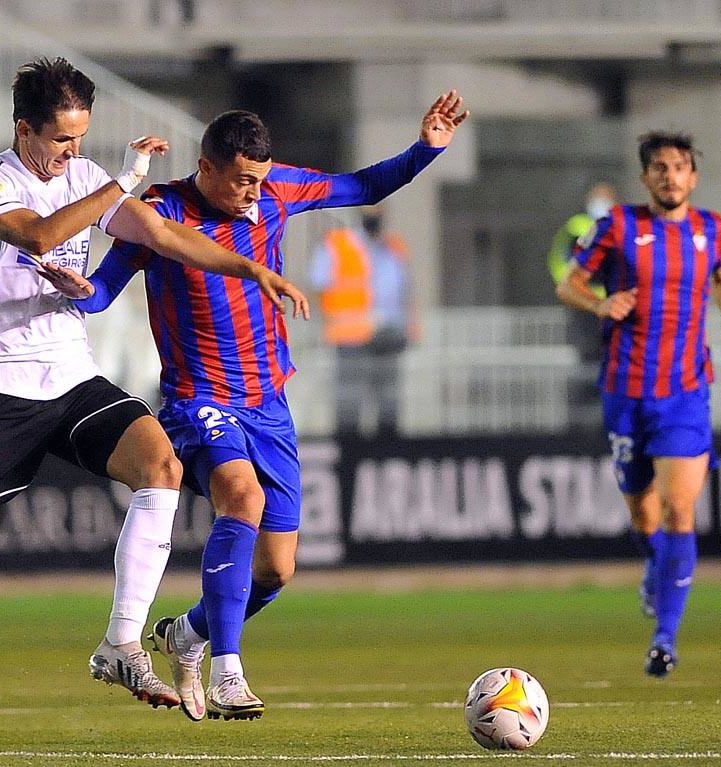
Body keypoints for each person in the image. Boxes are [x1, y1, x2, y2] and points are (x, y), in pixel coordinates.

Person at [0, 56, 306, 751]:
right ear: (24, 129)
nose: (71, 154)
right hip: (0, 387)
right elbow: (38, 235)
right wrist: (122, 182)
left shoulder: (80, 177)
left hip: (70, 375)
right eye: (61, 141)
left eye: (80, 140)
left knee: (159, 467)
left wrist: (249, 266)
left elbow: (164, 236)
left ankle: (120, 643)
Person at [46, 95, 469, 721]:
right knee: (241, 498)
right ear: (207, 167)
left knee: (277, 569)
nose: (251, 192)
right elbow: (104, 291)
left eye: (258, 179)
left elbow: (362, 186)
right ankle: (228, 673)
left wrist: (426, 147)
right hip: (198, 401)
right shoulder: (158, 213)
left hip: (268, 401)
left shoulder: (276, 190)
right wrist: (77, 291)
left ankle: (187, 634)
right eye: (240, 179)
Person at [557, 131, 721, 678]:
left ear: (693, 177)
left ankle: (664, 639)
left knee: (678, 510)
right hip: (625, 390)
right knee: (644, 514)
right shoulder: (618, 225)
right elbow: (569, 284)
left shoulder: (711, 229)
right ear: (646, 178)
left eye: (680, 167)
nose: (671, 176)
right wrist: (601, 302)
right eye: (660, 167)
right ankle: (656, 569)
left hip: (686, 393)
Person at [309, 204, 418, 436]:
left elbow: (405, 290)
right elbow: (319, 284)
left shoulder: (393, 247)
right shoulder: (338, 244)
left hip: (389, 334)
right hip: (351, 335)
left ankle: (387, 453)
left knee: (389, 404)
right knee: (349, 404)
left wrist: (410, 326)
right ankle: (350, 454)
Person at [549, 183, 618, 427]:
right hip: (584, 308)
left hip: (611, 310)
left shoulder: (618, 229)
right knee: (587, 362)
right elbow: (564, 265)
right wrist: (581, 292)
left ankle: (608, 422)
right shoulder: (577, 227)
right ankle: (579, 424)